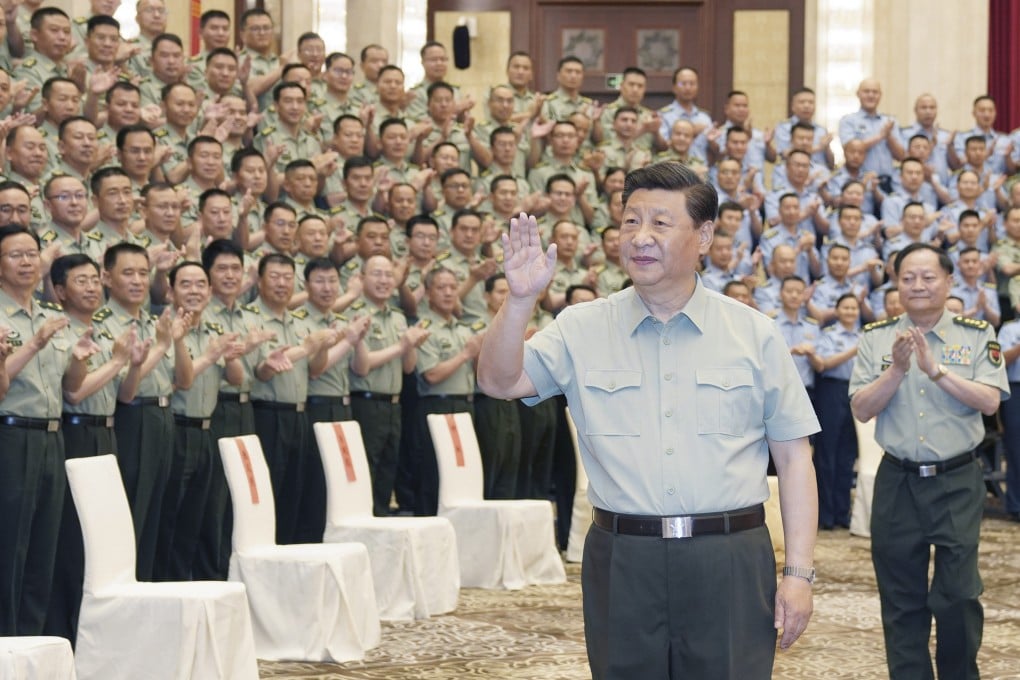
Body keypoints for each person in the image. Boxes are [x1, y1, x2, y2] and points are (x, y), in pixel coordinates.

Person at [477, 162, 819, 678]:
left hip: (728, 557)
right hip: (623, 558)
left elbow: (794, 459)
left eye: (660, 223)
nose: (640, 237)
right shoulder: (582, 327)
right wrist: (521, 300)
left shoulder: (754, 333)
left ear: (703, 235)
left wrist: (798, 574)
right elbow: (499, 381)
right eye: (630, 221)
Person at [849, 242, 1010, 680]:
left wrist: (937, 371)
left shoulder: (976, 334)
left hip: (955, 479)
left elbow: (991, 402)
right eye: (907, 278)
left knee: (958, 594)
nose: (918, 286)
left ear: (948, 282)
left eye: (928, 277)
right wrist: (897, 370)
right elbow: (861, 409)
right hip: (897, 480)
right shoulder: (876, 336)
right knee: (901, 596)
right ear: (897, 283)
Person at [808, 293, 862, 530]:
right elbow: (824, 364)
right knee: (827, 454)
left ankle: (843, 513)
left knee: (847, 455)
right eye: (846, 307)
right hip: (831, 391)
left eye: (854, 308)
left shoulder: (863, 337)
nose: (850, 312)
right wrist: (853, 351)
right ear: (837, 311)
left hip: (856, 392)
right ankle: (825, 515)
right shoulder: (828, 334)